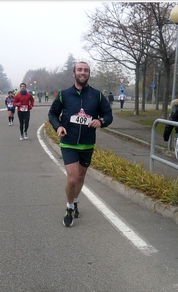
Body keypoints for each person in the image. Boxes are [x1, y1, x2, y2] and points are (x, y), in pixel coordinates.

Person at [48, 61, 113, 227]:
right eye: (79, 70)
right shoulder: (64, 94)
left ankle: (75, 201)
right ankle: (69, 207)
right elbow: (53, 114)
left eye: (86, 70)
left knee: (81, 177)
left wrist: (101, 121)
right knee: (72, 179)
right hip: (69, 142)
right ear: (74, 73)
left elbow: (108, 114)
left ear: (89, 74)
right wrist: (59, 126)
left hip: (87, 143)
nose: (82, 72)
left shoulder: (97, 95)